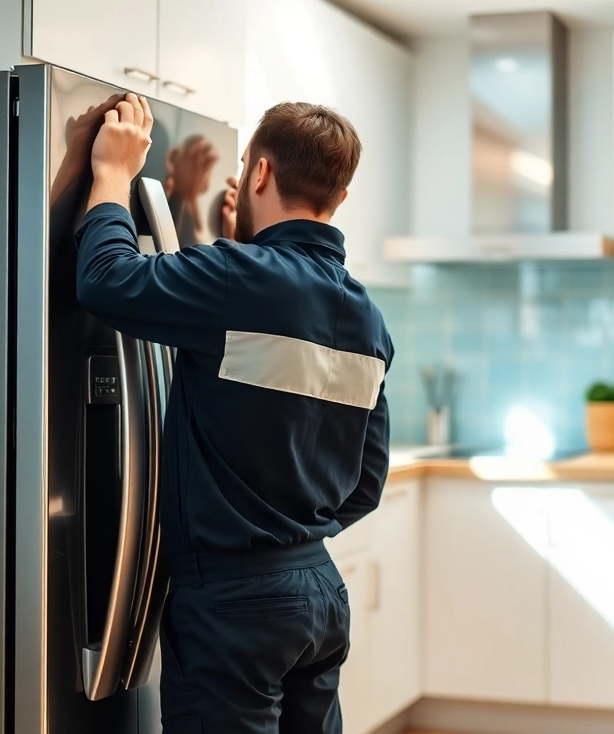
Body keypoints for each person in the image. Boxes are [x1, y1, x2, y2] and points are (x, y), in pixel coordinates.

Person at [75, 93, 393, 734]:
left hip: (232, 603)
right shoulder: (367, 320)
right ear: (342, 197)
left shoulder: (235, 281)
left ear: (260, 173)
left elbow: (107, 278)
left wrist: (112, 173)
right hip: (319, 599)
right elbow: (364, 486)